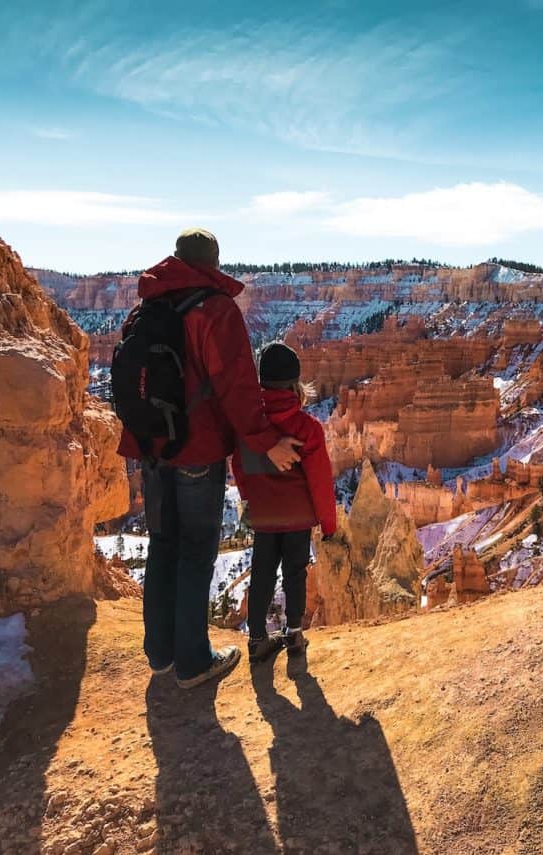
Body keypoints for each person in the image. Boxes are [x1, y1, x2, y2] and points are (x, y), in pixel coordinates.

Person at [118, 229, 302, 689]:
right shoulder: (214, 309)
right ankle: (194, 662)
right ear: (213, 263)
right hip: (196, 449)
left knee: (162, 544)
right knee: (196, 551)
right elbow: (237, 389)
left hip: (150, 447)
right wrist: (264, 440)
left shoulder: (146, 306)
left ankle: (160, 654)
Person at [232, 343, 337, 662]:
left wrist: (250, 498)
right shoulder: (308, 428)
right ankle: (294, 634)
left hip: (264, 515)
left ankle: (257, 639)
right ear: (296, 386)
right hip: (297, 519)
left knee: (262, 572)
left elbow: (238, 466)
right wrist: (328, 525)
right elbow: (320, 481)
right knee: (295, 573)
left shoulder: (251, 428)